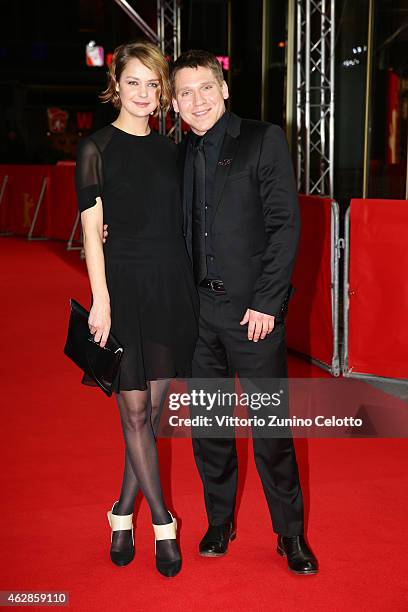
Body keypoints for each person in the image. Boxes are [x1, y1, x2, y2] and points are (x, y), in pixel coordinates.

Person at [170, 50, 318, 575]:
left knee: (271, 429)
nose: (197, 101)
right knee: (209, 426)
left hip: (251, 314)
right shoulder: (178, 154)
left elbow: (285, 227)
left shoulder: (262, 139)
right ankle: (219, 521)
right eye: (185, 93)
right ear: (175, 102)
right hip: (196, 315)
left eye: (205, 88)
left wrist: (267, 302)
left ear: (224, 88)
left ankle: (290, 534)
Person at [75, 41, 198, 578]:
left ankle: (122, 511)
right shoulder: (95, 148)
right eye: (134, 83)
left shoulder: (174, 149)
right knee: (133, 411)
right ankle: (163, 524)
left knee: (149, 412)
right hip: (122, 286)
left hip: (169, 286)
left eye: (154, 84)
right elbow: (91, 231)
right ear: (115, 86)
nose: (145, 94)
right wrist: (101, 299)